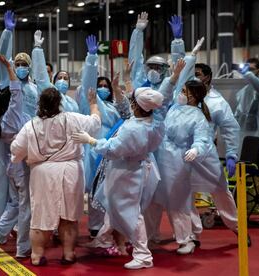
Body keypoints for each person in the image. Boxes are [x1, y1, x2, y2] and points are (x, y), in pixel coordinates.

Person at [72, 84, 168, 269]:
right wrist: (117, 90)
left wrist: (91, 140)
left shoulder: (134, 129)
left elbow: (113, 149)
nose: (129, 103)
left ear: (139, 106)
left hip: (127, 172)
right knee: (116, 209)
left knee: (130, 213)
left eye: (132, 100)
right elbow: (126, 113)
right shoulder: (152, 121)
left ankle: (143, 254)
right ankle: (107, 238)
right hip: (132, 169)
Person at [10, 87, 101, 266]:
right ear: (60, 102)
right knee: (69, 216)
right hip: (71, 171)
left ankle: (36, 255)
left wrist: (25, 154)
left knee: (41, 215)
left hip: (42, 173)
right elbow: (95, 123)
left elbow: (16, 150)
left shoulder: (31, 125)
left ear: (39, 103)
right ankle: (68, 253)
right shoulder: (73, 118)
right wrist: (93, 104)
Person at [0, 54, 32, 258]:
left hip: (12, 166)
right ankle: (23, 248)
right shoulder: (13, 116)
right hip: (22, 166)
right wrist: (9, 68)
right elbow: (15, 89)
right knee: (26, 207)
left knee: (14, 204)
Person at [154, 80, 213, 255]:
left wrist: (196, 149)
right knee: (154, 200)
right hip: (161, 158)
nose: (180, 93)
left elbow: (203, 139)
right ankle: (150, 236)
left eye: (184, 91)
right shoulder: (174, 108)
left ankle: (186, 239)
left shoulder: (198, 117)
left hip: (178, 163)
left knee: (177, 203)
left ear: (193, 96)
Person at [191, 63, 245, 245]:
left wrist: (231, 154)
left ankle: (238, 228)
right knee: (183, 194)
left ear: (207, 77)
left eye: (198, 74)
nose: (195, 77)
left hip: (206, 154)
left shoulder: (217, 102)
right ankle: (192, 235)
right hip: (182, 153)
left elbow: (230, 128)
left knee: (221, 191)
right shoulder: (183, 97)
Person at [76, 34, 121, 238]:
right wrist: (92, 59)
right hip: (92, 150)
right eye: (99, 85)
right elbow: (88, 85)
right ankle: (92, 227)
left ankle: (107, 226)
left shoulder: (116, 106)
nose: (102, 88)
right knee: (91, 189)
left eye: (105, 86)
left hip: (110, 151)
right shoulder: (93, 103)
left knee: (108, 190)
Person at [32, 30, 79, 112]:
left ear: (69, 83)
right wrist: (37, 49)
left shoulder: (73, 104)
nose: (62, 80)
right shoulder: (50, 94)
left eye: (65, 78)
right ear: (54, 81)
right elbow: (41, 75)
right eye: (59, 78)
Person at [234, 57, 259, 156]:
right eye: (247, 69)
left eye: (251, 69)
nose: (248, 72)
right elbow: (238, 114)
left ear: (258, 71)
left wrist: (247, 73)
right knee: (244, 163)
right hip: (244, 132)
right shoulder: (242, 92)